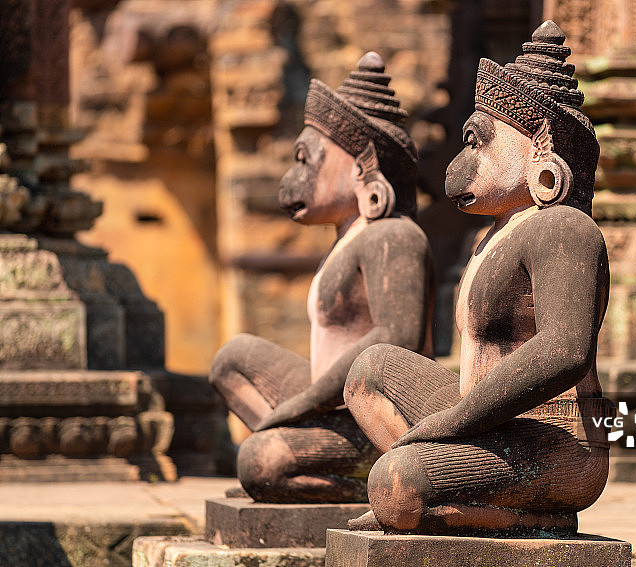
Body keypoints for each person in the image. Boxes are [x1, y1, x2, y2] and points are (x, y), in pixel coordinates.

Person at [344, 21, 613, 534]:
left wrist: (448, 424)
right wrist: (453, 423)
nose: (463, 162)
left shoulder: (565, 228)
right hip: (492, 423)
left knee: (397, 480)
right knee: (371, 370)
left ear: (539, 148)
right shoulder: (495, 235)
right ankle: (440, 495)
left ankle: (523, 512)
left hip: (559, 444)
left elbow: (565, 350)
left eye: (479, 143)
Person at [210, 52, 434, 503]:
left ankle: (360, 482)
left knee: (259, 461)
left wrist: (301, 405)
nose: (295, 175)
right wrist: (305, 403)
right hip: (327, 402)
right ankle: (307, 463)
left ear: (360, 167)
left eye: (306, 159)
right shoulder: (346, 241)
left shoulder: (394, 235)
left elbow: (398, 337)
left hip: (375, 421)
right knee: (231, 360)